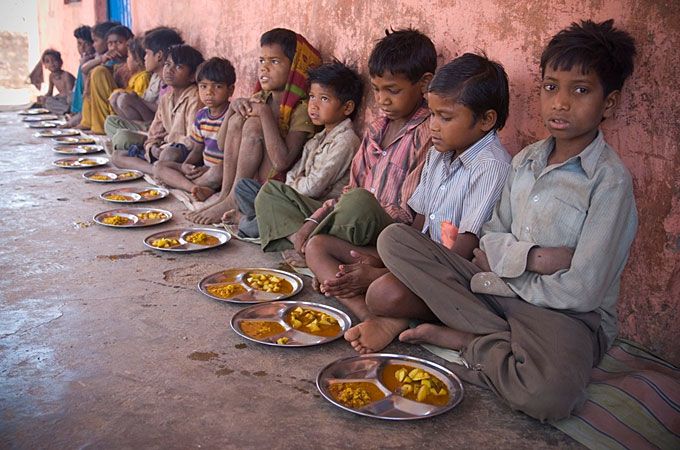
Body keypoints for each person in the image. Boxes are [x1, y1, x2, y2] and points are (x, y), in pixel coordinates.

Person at [356, 19, 638, 422]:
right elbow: (489, 240)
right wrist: (535, 258)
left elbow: (583, 288)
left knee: (550, 396)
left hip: (563, 315)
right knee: (395, 240)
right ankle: (505, 341)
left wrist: (510, 273)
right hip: (494, 292)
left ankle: (469, 342)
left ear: (608, 103)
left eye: (580, 90)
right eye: (550, 86)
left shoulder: (609, 182)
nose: (560, 102)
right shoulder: (525, 162)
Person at [322, 53, 512, 325]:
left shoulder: (491, 166)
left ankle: (380, 314)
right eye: (432, 114)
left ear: (486, 120)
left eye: (445, 117)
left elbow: (464, 250)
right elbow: (419, 223)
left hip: (451, 273)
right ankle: (365, 309)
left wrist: (384, 273)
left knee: (383, 294)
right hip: (418, 258)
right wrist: (390, 261)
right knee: (320, 245)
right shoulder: (438, 153)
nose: (432, 125)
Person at [256, 28, 434, 275]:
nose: (382, 100)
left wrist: (349, 209)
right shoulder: (375, 130)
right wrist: (313, 220)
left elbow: (406, 212)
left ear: (424, 83)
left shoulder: (427, 134)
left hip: (385, 229)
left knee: (359, 202)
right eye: (377, 89)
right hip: (346, 218)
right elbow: (349, 190)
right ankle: (317, 246)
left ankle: (318, 249)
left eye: (393, 90)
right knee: (270, 193)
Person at [187, 28, 320, 224]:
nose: (264, 68)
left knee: (254, 125)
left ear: (294, 68)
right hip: (250, 177)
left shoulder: (301, 108)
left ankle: (234, 199)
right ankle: (226, 195)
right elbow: (223, 145)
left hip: (276, 184)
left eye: (274, 61)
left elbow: (282, 162)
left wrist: (264, 113)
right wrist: (232, 109)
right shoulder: (261, 98)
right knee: (238, 119)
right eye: (262, 61)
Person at [231, 61, 363, 238]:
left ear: (347, 107)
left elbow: (314, 187)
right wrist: (284, 191)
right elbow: (292, 174)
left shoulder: (346, 141)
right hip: (295, 200)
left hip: (319, 209)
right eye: (312, 97)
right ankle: (270, 222)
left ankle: (253, 222)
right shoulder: (316, 139)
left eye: (324, 98)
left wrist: (285, 193)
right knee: (244, 187)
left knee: (268, 197)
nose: (314, 105)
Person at [111, 44, 204, 173]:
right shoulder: (166, 98)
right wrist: (153, 147)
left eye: (178, 67)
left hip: (184, 153)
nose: (169, 70)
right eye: (167, 64)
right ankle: (157, 171)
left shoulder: (195, 97)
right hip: (163, 150)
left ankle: (163, 171)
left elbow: (191, 141)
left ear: (192, 75)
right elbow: (154, 134)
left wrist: (166, 144)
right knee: (117, 156)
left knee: (170, 154)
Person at [153, 57, 236, 200]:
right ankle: (194, 188)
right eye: (203, 86)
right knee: (159, 166)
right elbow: (198, 148)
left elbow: (234, 157)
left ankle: (184, 185)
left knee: (218, 171)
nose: (209, 92)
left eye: (217, 86)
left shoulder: (233, 115)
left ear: (230, 90)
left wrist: (208, 170)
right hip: (202, 171)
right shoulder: (201, 115)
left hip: (220, 172)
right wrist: (187, 165)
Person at [104, 26, 183, 140]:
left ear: (159, 56)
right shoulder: (156, 76)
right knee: (110, 121)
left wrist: (139, 100)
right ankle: (133, 136)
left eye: (147, 53)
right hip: (149, 123)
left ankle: (136, 138)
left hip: (161, 129)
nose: (144, 58)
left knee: (122, 134)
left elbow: (166, 113)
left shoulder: (172, 80)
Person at [79, 24, 133, 134]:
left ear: (129, 43)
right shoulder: (109, 61)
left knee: (99, 72)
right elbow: (84, 69)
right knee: (95, 72)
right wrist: (102, 59)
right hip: (112, 103)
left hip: (124, 107)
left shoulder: (133, 61)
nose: (114, 47)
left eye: (119, 43)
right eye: (110, 44)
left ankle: (103, 127)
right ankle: (94, 123)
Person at [109, 37, 150, 118]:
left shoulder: (143, 78)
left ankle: (135, 126)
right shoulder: (135, 76)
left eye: (128, 56)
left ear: (137, 61)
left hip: (144, 115)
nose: (127, 60)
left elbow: (136, 100)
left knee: (122, 99)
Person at [64, 26, 95, 127]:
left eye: (86, 44)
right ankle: (76, 113)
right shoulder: (83, 60)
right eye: (79, 44)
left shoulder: (93, 61)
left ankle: (81, 115)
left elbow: (87, 90)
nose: (82, 48)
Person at [36, 49, 75, 115]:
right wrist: (43, 98)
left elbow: (71, 93)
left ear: (61, 62)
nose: (52, 63)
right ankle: (64, 110)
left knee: (51, 101)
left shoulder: (66, 75)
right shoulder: (51, 76)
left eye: (54, 60)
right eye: (48, 61)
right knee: (46, 101)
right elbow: (49, 93)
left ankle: (68, 110)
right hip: (61, 100)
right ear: (45, 65)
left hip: (70, 100)